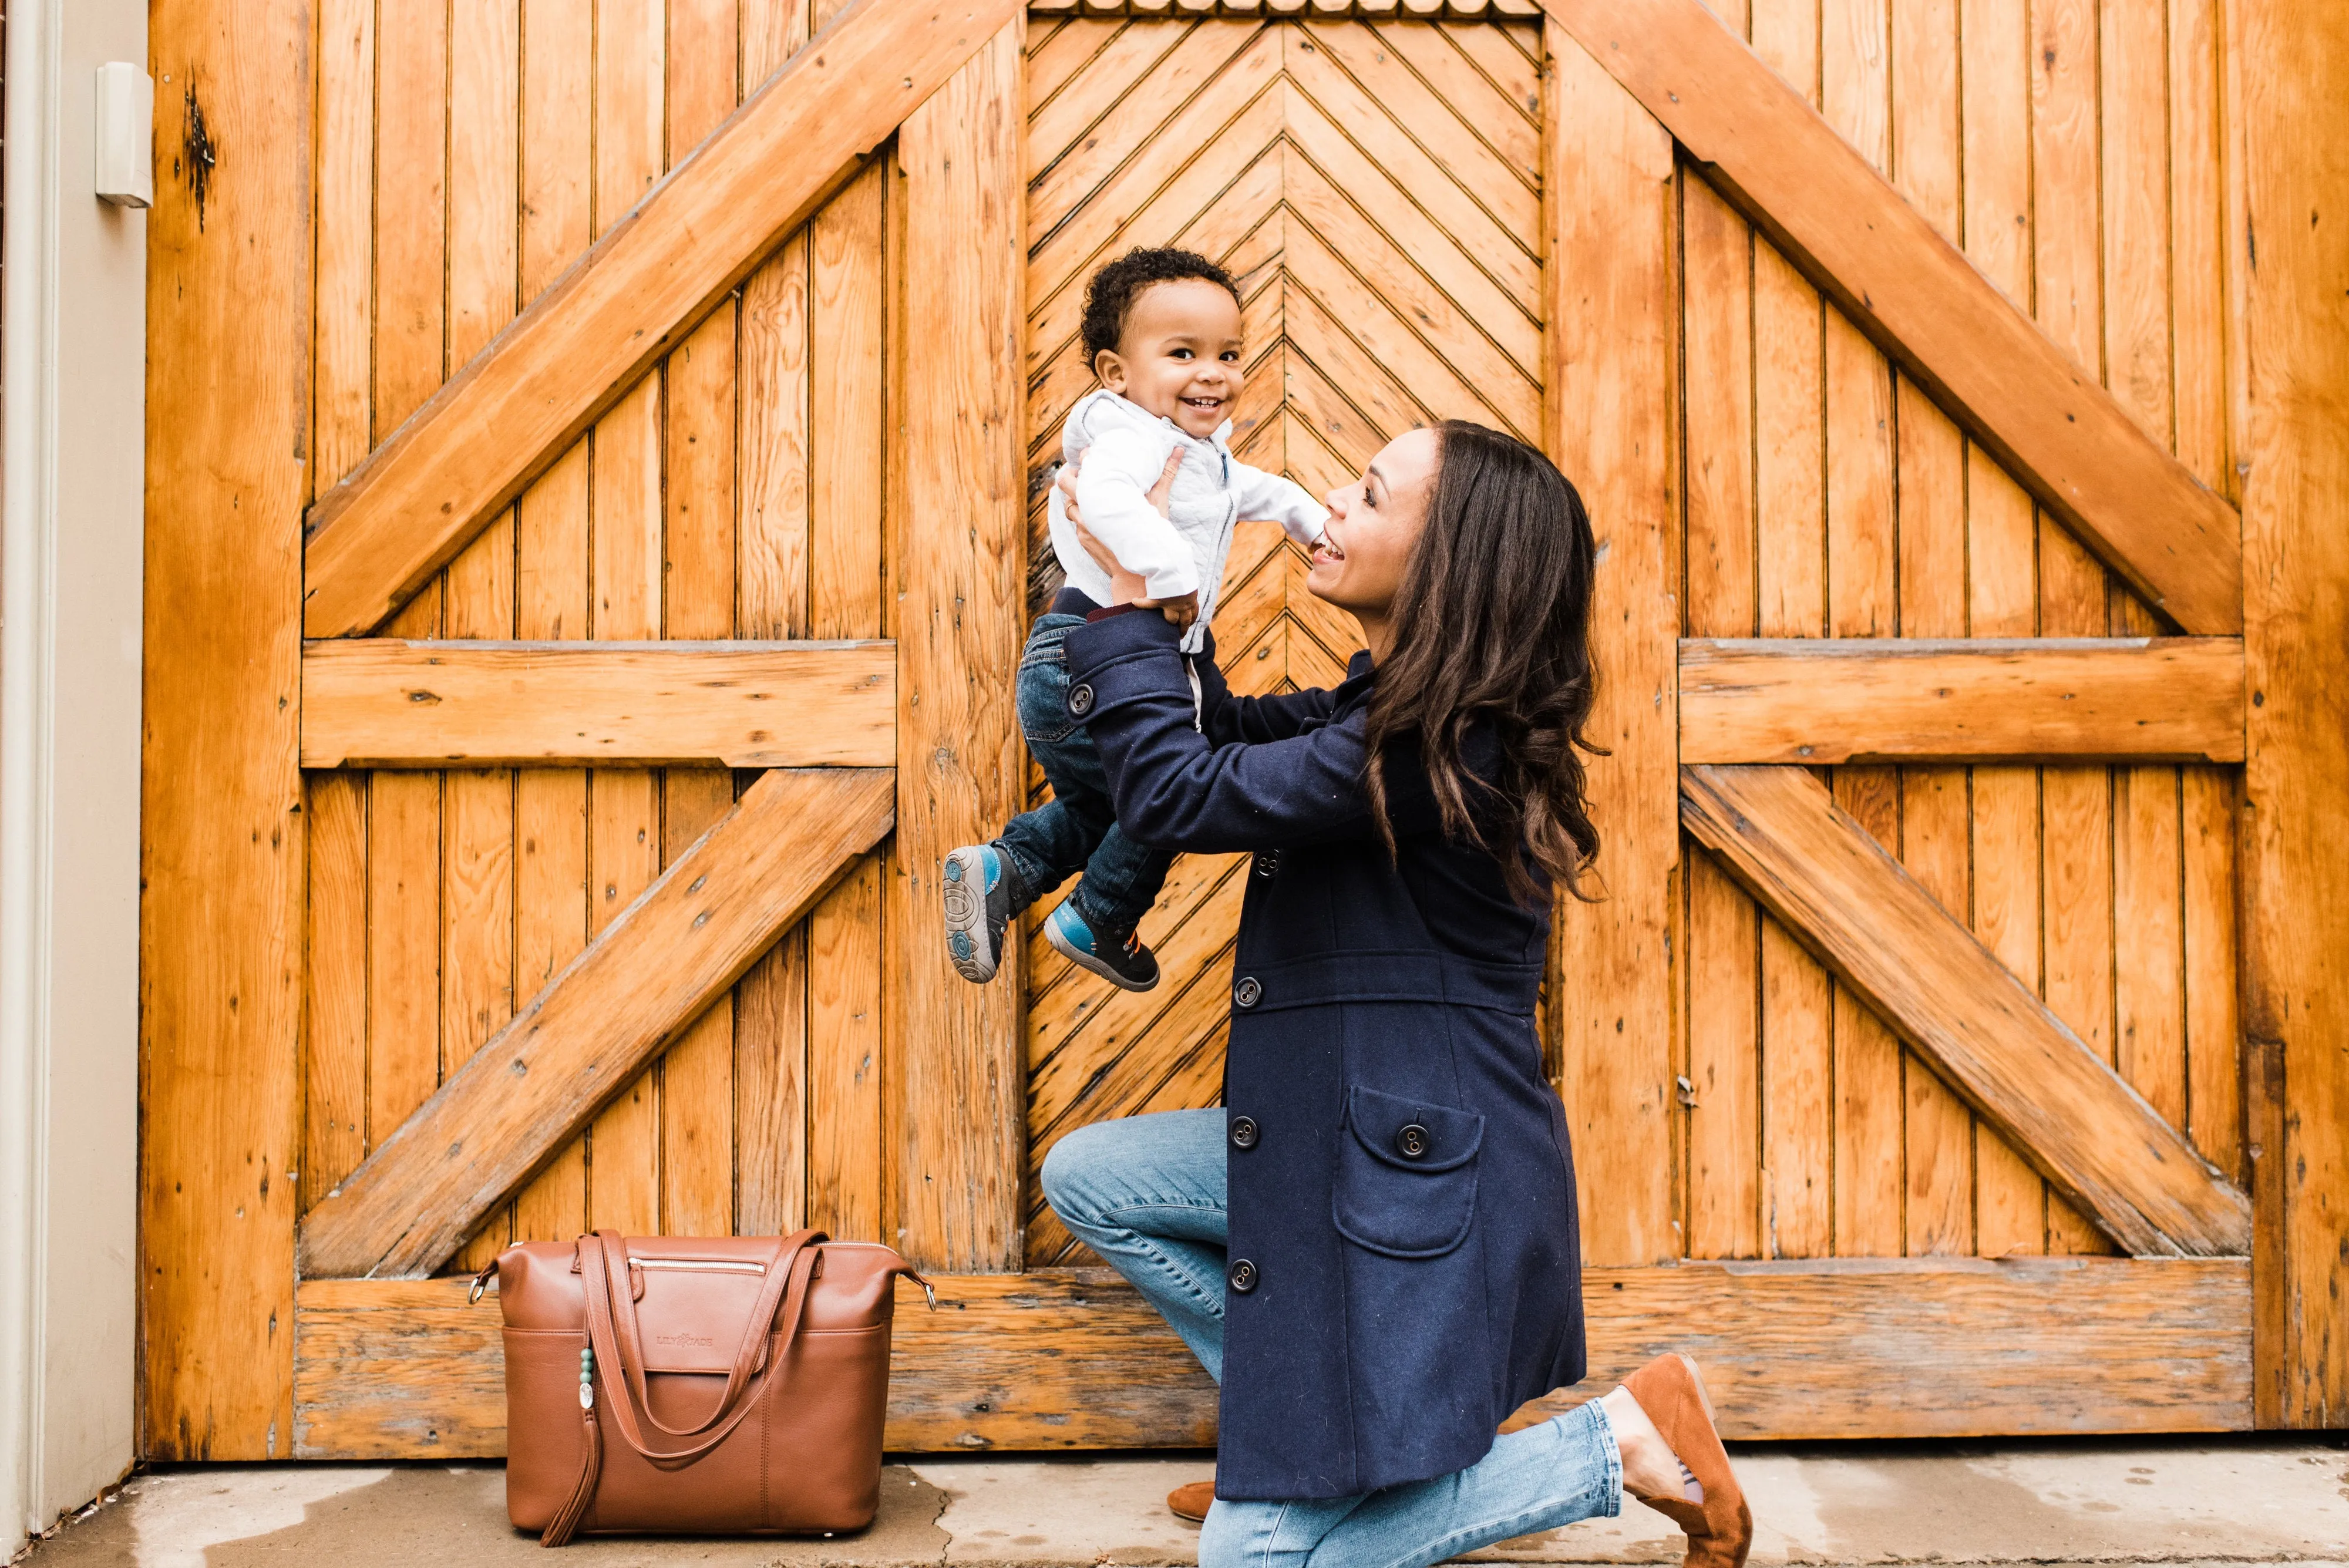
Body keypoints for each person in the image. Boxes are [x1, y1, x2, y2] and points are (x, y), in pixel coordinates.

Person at [1038, 420, 1753, 1568]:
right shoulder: (1374, 715)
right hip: (1349, 1146)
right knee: (1092, 1181)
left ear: (1447, 571)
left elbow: (1175, 796)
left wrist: (1121, 615)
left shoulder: (1441, 749)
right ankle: (1297, 1426)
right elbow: (1208, 738)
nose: (1327, 504)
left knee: (1253, 1561)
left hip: (1415, 1183)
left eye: (1367, 497)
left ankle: (1615, 1442)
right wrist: (1164, 612)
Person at [942, 247, 1328, 995]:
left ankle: (1005, 869)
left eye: (1229, 353)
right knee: (1170, 796)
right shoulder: (1129, 437)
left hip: (1079, 660)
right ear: (1117, 373)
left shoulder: (1194, 450)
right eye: (1183, 353)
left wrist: (1309, 522)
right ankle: (1100, 913)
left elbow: (1257, 489)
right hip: (1096, 657)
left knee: (1104, 808)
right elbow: (1109, 506)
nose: (1212, 372)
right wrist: (1172, 577)